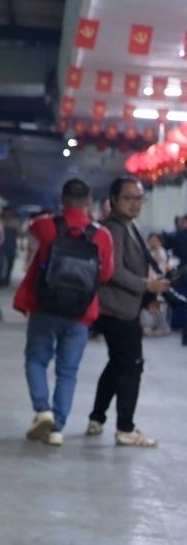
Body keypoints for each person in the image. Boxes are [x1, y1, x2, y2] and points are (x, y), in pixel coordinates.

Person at [12, 179, 114, 446]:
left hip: (46, 307)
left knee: (36, 360)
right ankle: (57, 428)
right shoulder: (102, 236)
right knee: (67, 371)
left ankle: (42, 409)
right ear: (89, 201)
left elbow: (31, 226)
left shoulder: (46, 226)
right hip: (80, 312)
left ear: (62, 199)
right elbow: (105, 275)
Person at [87, 177, 168, 447]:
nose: (135, 204)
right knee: (132, 366)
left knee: (117, 363)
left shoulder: (129, 226)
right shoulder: (114, 229)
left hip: (126, 306)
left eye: (139, 198)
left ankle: (97, 417)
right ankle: (125, 428)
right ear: (113, 200)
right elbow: (114, 271)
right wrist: (147, 285)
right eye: (128, 198)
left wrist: (147, 298)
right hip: (116, 310)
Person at [0, 207, 22, 287]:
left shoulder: (16, 221)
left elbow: (20, 233)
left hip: (12, 244)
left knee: (10, 263)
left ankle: (7, 279)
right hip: (2, 244)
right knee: (1, 262)